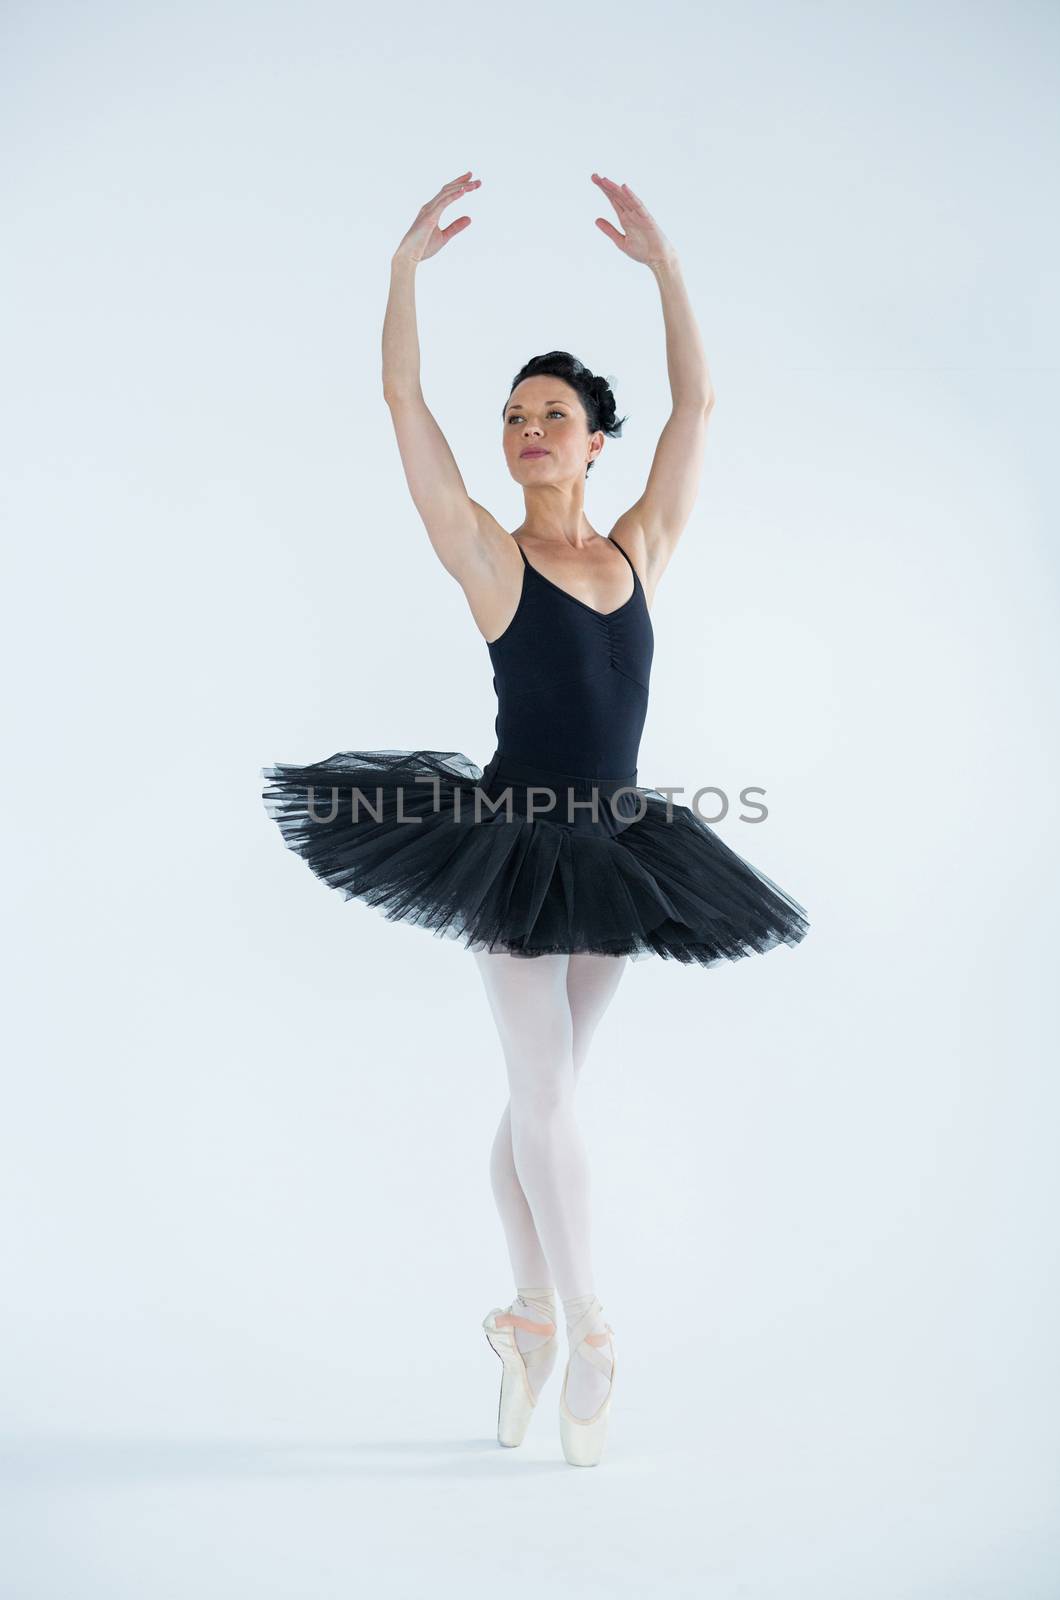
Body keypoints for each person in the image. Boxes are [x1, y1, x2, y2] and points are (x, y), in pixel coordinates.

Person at [262, 170, 810, 1466]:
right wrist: (400, 275)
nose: (526, 431)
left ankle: (519, 1316)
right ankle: (587, 1325)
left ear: (592, 440)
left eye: (550, 415)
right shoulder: (488, 558)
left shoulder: (637, 552)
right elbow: (403, 403)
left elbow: (703, 405)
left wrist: (669, 269)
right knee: (545, 1091)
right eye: (512, 416)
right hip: (510, 846)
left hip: (619, 850)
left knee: (540, 1099)